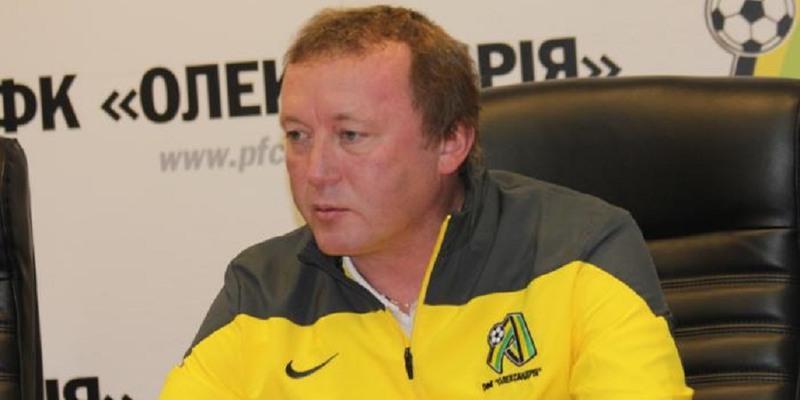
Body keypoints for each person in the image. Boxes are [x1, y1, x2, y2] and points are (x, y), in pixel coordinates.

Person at [160, 5, 693, 399]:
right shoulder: (259, 292)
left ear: (450, 143)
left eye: (350, 136)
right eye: (297, 136)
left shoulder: (582, 251)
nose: (315, 171)